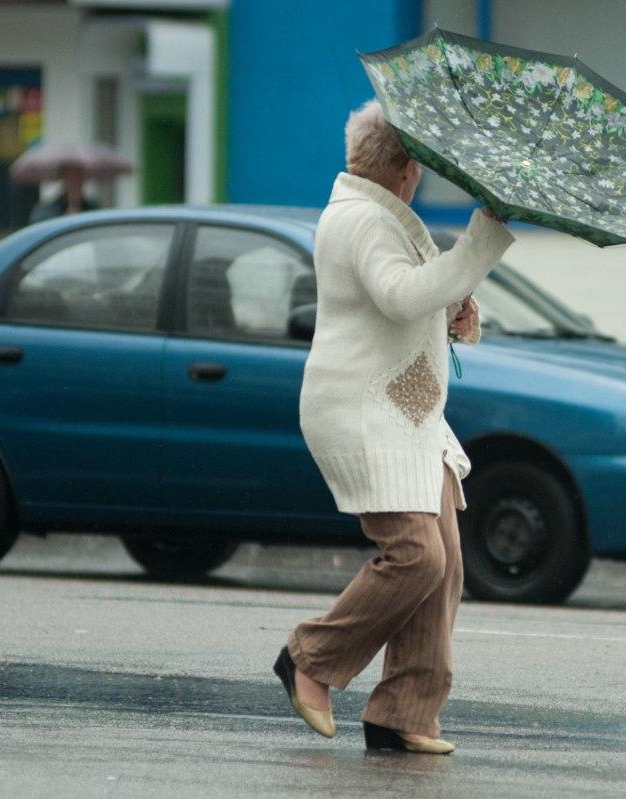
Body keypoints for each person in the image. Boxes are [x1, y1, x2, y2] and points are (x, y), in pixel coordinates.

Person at [273, 100, 514, 754]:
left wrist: (457, 309)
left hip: (408, 412)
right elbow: (401, 294)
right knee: (416, 555)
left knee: (447, 563)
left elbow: (413, 300)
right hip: (365, 411)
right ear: (407, 168)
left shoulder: (379, 216)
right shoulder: (362, 221)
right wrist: (479, 247)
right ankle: (310, 660)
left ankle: (404, 710)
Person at [28, 164, 101, 223]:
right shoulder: (45, 211)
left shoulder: (94, 210)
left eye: (79, 176)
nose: (75, 181)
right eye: (71, 176)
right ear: (63, 178)